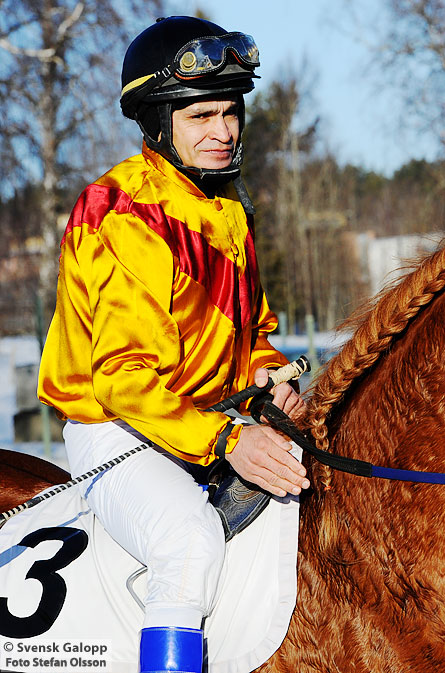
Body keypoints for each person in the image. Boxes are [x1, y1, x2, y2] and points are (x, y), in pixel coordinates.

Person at [37, 16, 309, 673]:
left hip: (206, 422)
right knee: (188, 542)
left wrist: (272, 378)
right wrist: (229, 439)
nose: (224, 131)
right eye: (201, 116)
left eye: (231, 111)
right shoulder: (122, 211)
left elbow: (253, 333)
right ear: (158, 123)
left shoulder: (226, 205)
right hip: (117, 430)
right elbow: (123, 379)